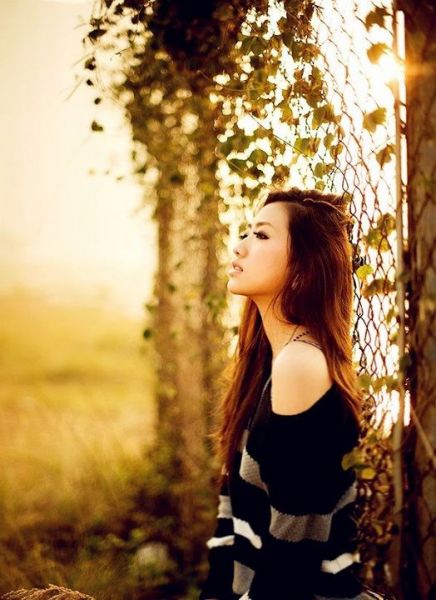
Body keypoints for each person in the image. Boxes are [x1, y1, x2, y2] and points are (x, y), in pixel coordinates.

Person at [198, 188, 388, 600]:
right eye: (247, 233)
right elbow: (231, 519)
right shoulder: (269, 360)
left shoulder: (301, 365)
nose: (240, 246)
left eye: (261, 235)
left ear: (303, 270)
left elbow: (293, 552)